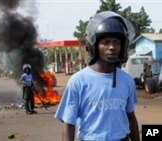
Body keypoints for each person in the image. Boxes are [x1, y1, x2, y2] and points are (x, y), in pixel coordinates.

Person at [55, 11, 140, 141]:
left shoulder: (127, 80)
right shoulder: (78, 81)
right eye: (106, 42)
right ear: (94, 46)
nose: (112, 47)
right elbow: (69, 124)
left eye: (116, 42)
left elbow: (130, 117)